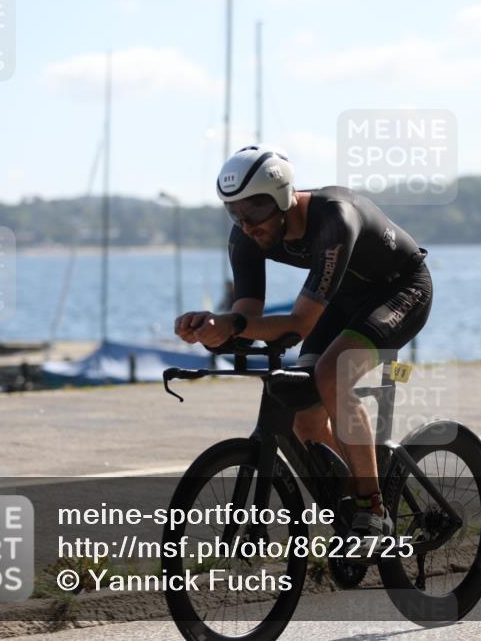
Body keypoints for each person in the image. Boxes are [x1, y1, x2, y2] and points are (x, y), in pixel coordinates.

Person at [174, 145, 432, 538]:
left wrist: (233, 325)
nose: (246, 224)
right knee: (304, 416)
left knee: (331, 375)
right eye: (234, 212)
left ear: (282, 197)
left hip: (401, 290)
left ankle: (373, 508)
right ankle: (351, 503)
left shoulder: (334, 218)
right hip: (346, 298)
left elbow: (299, 323)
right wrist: (212, 331)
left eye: (255, 209)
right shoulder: (246, 235)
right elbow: (247, 317)